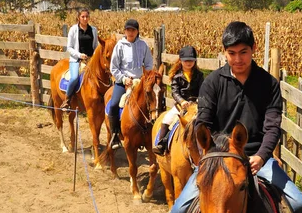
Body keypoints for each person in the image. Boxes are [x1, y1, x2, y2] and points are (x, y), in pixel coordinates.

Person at [170, 21, 302, 213]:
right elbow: (204, 122)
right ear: (225, 53)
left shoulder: (268, 84)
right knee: (178, 212)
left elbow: (272, 125)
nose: (238, 59)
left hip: (257, 158)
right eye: (232, 53)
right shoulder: (213, 83)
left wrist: (262, 156)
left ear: (253, 50)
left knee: (299, 204)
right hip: (219, 161)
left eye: (244, 52)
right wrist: (215, 155)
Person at [108, 19, 153, 150]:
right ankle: (115, 134)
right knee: (114, 104)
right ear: (125, 31)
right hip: (123, 82)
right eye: (128, 30)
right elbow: (114, 67)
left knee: (152, 104)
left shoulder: (143, 46)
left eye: (133, 30)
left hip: (140, 82)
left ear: (137, 31)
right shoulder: (119, 46)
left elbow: (149, 64)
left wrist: (145, 77)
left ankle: (151, 134)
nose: (130, 32)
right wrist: (123, 79)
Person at [153, 45, 204, 156]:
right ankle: (161, 144)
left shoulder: (200, 75)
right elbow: (175, 92)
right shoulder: (177, 76)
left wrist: (199, 100)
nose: (189, 63)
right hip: (181, 106)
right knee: (167, 119)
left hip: (196, 106)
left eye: (191, 60)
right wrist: (182, 101)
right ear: (180, 61)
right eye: (186, 60)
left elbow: (202, 90)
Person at [61, 8, 98, 110]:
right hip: (77, 60)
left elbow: (96, 46)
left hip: (91, 60)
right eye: (83, 17)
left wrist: (94, 55)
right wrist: (79, 55)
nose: (85, 19)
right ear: (78, 18)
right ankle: (67, 100)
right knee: (74, 78)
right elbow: (69, 47)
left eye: (87, 16)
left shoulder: (93, 30)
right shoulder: (73, 29)